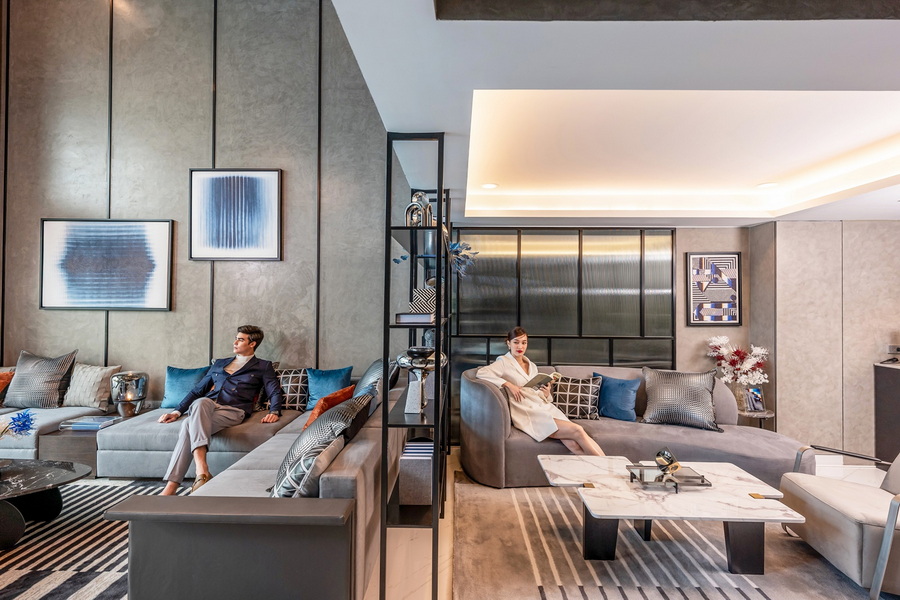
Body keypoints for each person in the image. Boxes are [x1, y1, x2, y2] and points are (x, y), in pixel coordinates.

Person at [158, 325, 284, 495]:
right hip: (207, 407)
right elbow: (198, 390)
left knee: (188, 424)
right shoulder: (219, 363)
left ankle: (172, 487)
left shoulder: (263, 366)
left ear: (252, 344)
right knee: (201, 402)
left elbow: (274, 390)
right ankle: (202, 470)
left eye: (240, 340)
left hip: (233, 410)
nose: (235, 342)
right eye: (236, 338)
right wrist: (176, 412)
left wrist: (274, 412)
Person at [476, 326, 604, 456]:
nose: (520, 346)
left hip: (544, 407)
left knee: (573, 444)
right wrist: (508, 384)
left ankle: (600, 468)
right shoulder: (503, 362)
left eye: (524, 342)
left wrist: (546, 393)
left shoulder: (531, 365)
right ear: (509, 344)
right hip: (528, 412)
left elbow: (535, 391)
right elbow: (481, 373)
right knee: (578, 430)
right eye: (516, 342)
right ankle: (608, 467)